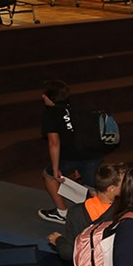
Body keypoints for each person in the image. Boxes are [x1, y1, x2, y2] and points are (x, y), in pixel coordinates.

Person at [39, 80, 103, 225]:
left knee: (48, 176)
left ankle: (62, 213)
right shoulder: (80, 107)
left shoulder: (51, 114)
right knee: (93, 188)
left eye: (45, 95)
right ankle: (104, 220)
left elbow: (54, 143)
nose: (43, 96)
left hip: (73, 156)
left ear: (51, 98)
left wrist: (55, 169)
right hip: (94, 154)